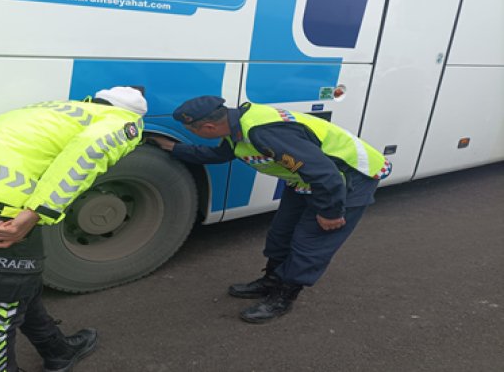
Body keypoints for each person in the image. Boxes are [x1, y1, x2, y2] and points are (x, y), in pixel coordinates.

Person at [0, 86, 147, 371]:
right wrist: (37, 213)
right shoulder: (121, 120)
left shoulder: (52, 110)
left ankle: (57, 350)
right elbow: (85, 158)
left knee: (15, 285)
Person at [147, 96, 391, 324]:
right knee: (280, 233)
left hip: (347, 180)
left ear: (209, 128)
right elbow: (219, 154)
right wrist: (174, 148)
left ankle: (283, 298)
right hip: (308, 180)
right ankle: (271, 281)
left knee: (310, 243)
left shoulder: (265, 133)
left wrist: (331, 212)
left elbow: (325, 175)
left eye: (192, 131)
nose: (192, 134)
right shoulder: (235, 128)